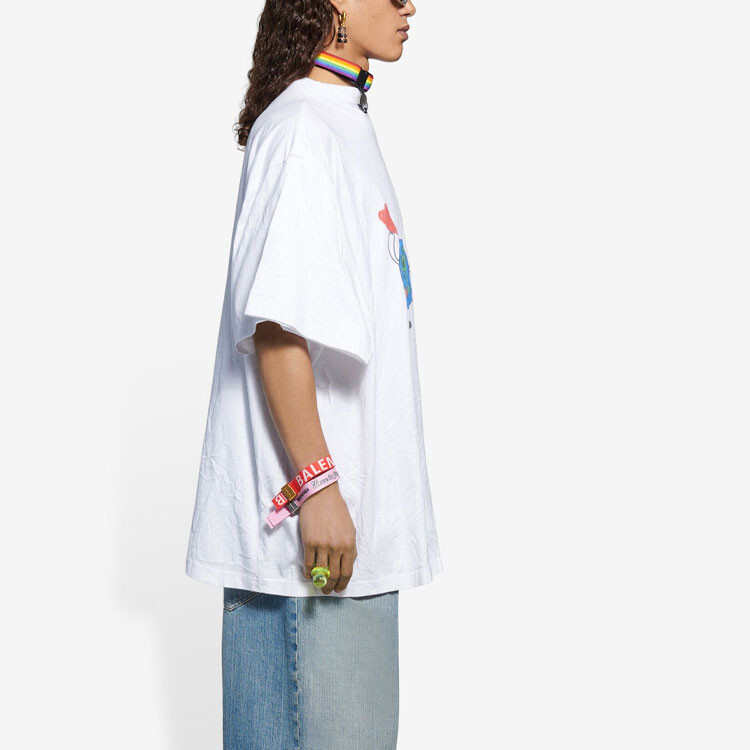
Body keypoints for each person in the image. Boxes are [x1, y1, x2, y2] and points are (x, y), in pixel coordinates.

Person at [185, 1, 443, 747]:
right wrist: (318, 487)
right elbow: (276, 326)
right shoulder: (303, 128)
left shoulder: (335, 121)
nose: (408, 5)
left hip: (341, 543)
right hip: (318, 546)